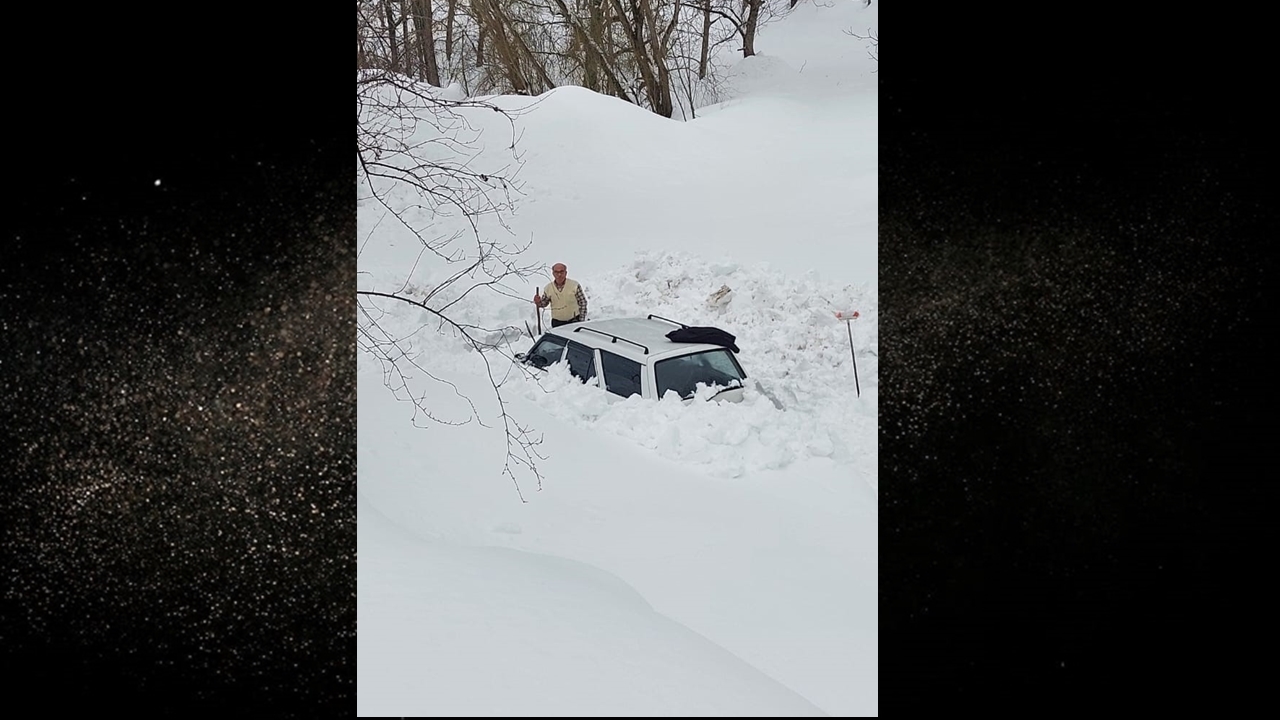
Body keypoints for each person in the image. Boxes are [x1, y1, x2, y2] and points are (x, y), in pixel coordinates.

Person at [534, 263, 588, 327]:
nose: (559, 275)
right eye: (556, 272)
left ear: (566, 273)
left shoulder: (574, 285)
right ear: (553, 274)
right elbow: (544, 303)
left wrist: (581, 321)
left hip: (574, 321)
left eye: (561, 272)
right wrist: (538, 302)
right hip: (557, 323)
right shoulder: (548, 288)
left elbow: (583, 302)